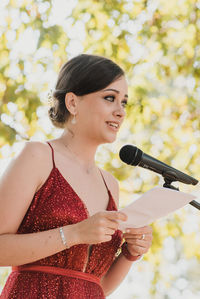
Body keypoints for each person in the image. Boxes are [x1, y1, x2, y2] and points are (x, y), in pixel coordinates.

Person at [0, 54, 152, 299]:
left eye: (124, 102)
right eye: (110, 98)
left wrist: (130, 254)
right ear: (72, 103)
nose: (120, 112)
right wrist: (75, 234)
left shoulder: (110, 185)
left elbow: (93, 285)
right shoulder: (38, 156)